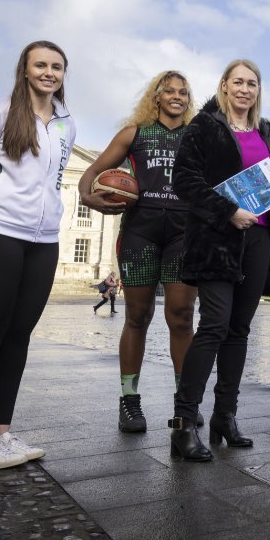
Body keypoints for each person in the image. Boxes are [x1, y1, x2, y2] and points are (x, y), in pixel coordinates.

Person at [0, 40, 77, 470]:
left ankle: (1, 435)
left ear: (64, 74)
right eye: (40, 65)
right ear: (25, 70)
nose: (49, 72)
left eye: (57, 67)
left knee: (19, 336)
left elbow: (54, 182)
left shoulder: (66, 125)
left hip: (44, 240)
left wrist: (48, 224)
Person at [167, 59, 270, 461]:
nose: (245, 89)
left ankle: (225, 416)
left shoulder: (267, 133)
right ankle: (183, 424)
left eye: (252, 83)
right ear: (224, 86)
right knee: (214, 326)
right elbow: (184, 180)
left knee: (239, 330)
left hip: (258, 242)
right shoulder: (205, 126)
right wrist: (226, 211)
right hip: (218, 239)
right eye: (237, 82)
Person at [79, 71, 197, 433]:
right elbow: (93, 173)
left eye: (183, 92)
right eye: (169, 91)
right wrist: (88, 198)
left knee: (180, 316)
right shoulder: (135, 133)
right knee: (137, 317)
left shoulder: (197, 136)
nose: (176, 96)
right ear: (157, 97)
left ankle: (185, 403)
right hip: (140, 233)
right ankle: (129, 401)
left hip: (183, 234)